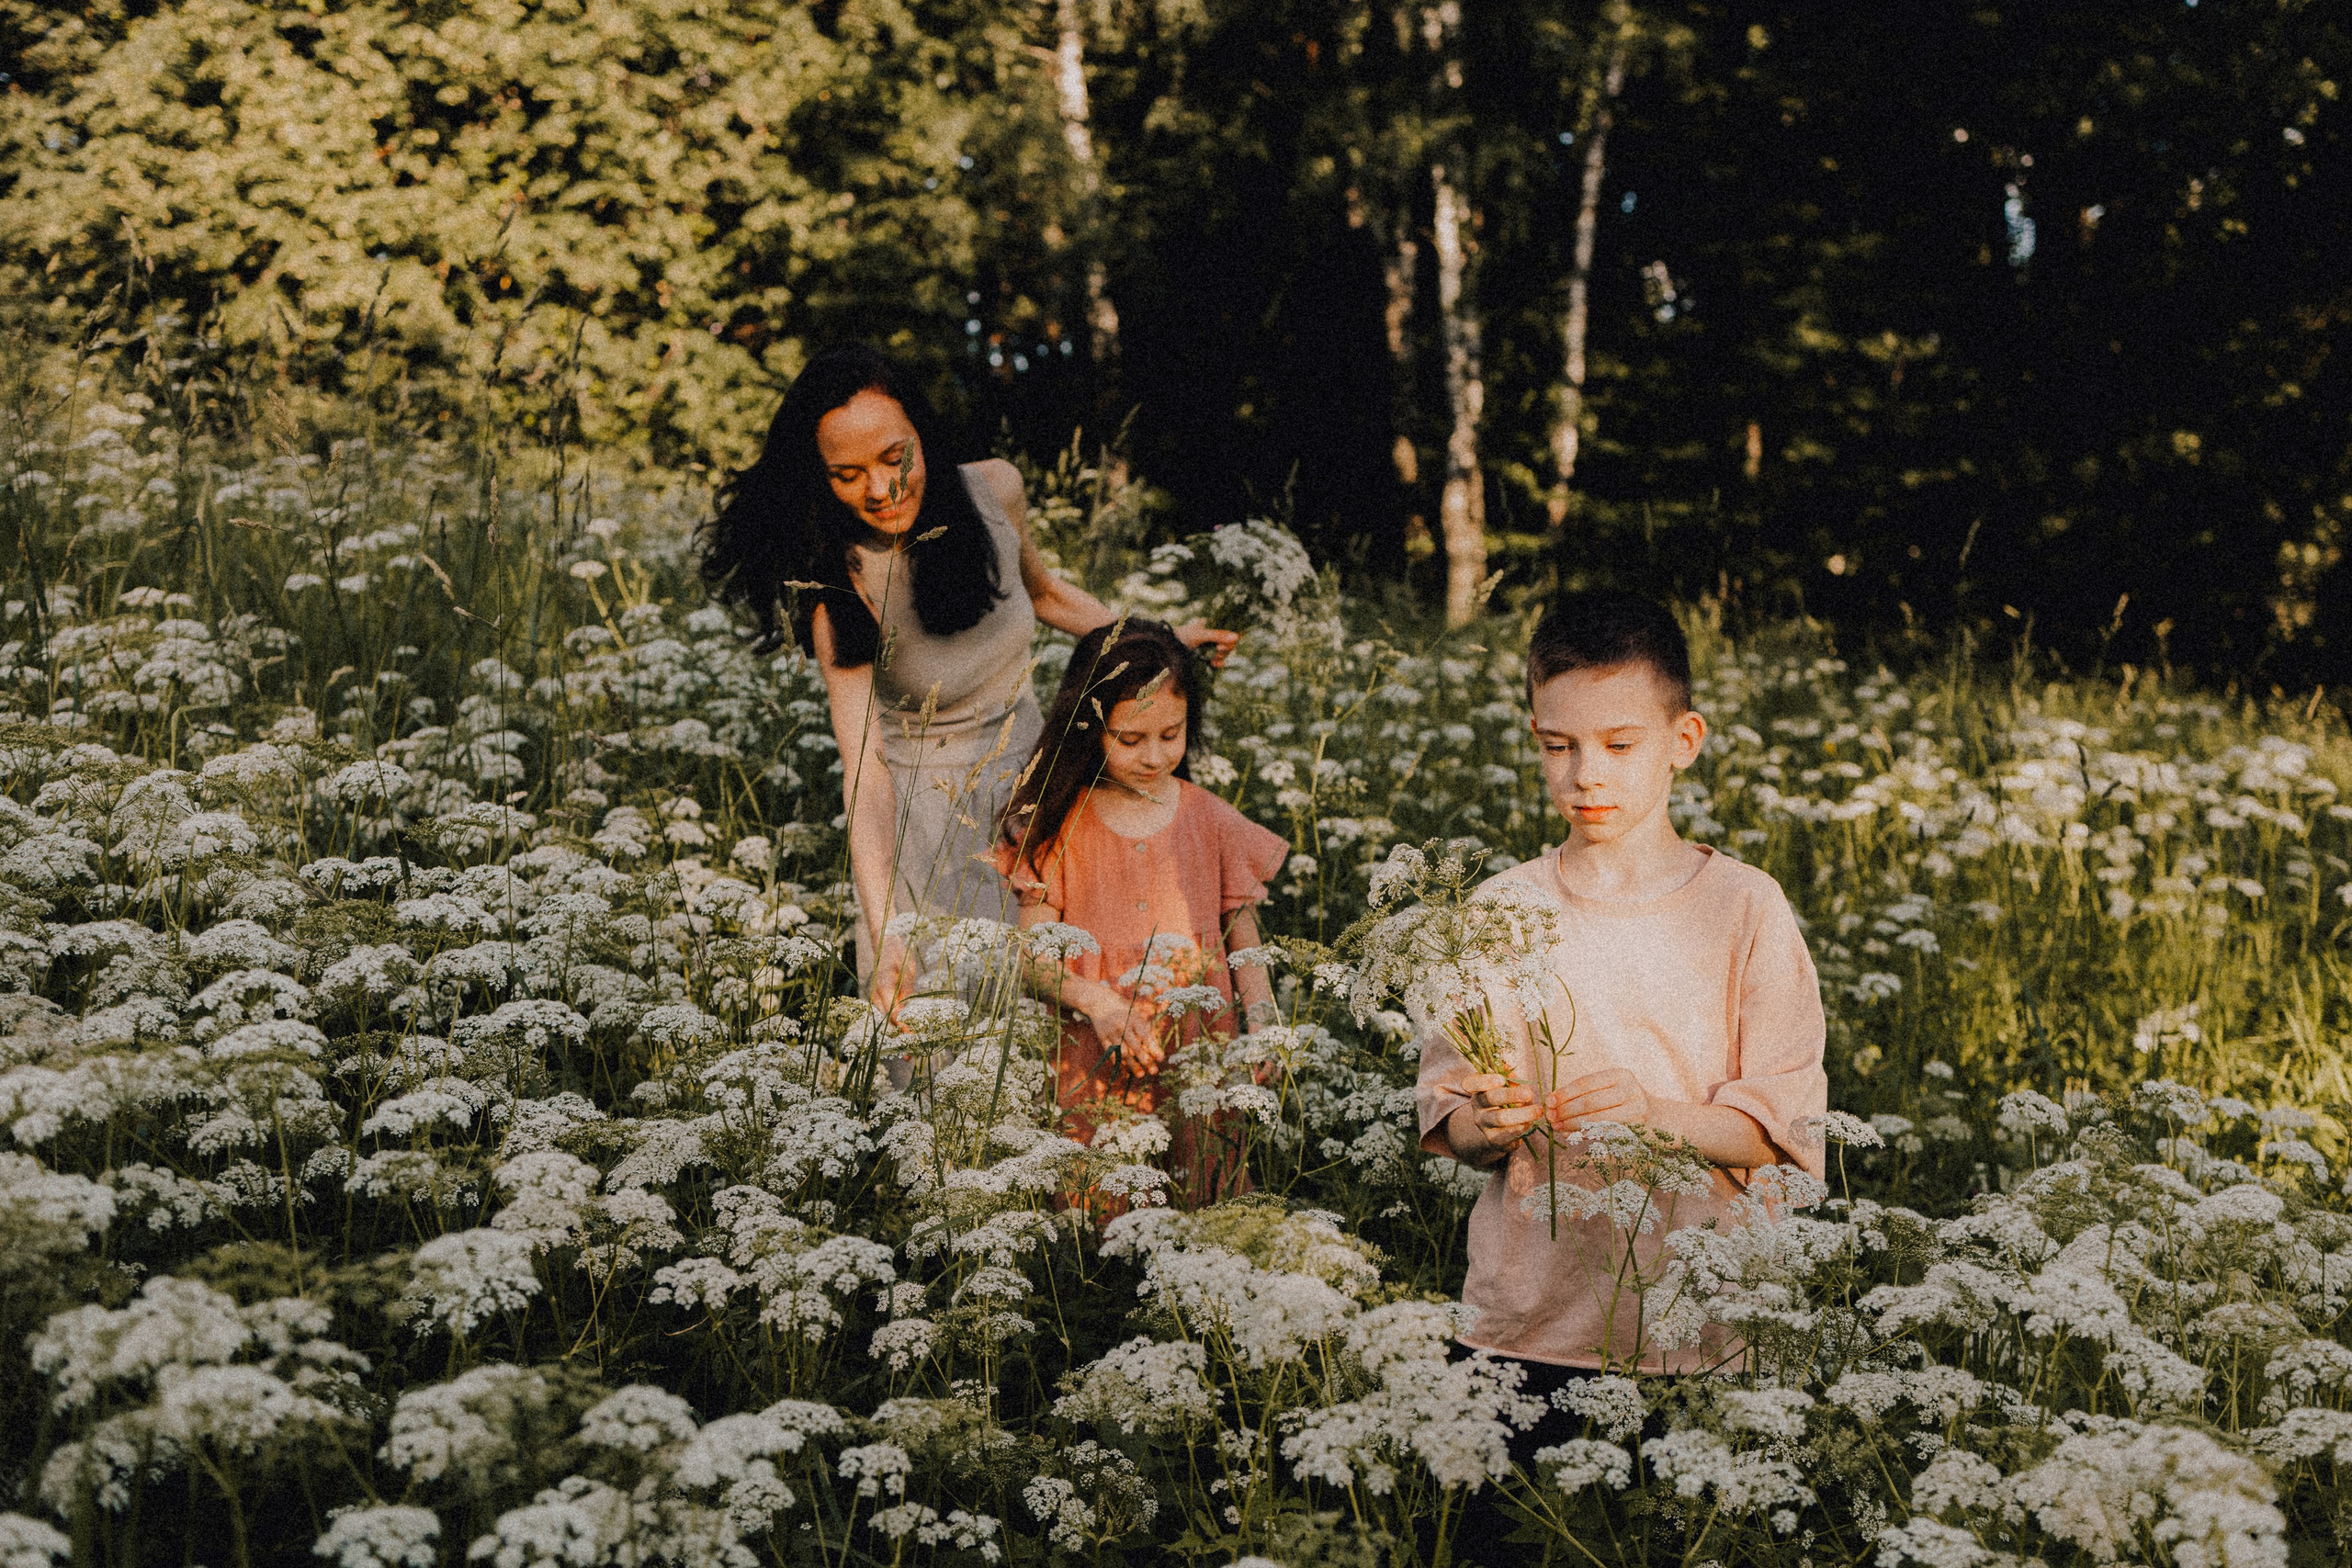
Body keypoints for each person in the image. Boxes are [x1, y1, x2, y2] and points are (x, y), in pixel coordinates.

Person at [1413, 591, 1828, 1557]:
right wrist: (1494, 1121)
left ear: (1683, 739)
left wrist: (1652, 1114)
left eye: (1617, 744)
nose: (1583, 773)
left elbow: (1781, 1126)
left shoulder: (1745, 909)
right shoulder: (1495, 909)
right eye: (1556, 745)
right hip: (1521, 1328)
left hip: (1703, 1338)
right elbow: (1452, 1126)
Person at [701, 344, 1236, 1008]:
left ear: (925, 435)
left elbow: (1044, 594)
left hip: (1043, 793)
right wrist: (888, 930)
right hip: (927, 831)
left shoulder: (995, 492)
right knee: (951, 1053)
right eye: (847, 474)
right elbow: (864, 773)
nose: (879, 488)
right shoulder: (840, 584)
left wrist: (1155, 638)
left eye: (896, 458)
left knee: (1072, 1023)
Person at [994, 618, 1287, 1205]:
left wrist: (1266, 1024)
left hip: (1199, 1042)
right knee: (1099, 1198)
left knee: (1201, 1191)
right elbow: (1031, 959)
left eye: (1170, 736)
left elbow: (1242, 936)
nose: (1154, 757)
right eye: (1130, 739)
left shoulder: (1211, 818)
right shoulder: (1060, 825)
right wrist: (1097, 1002)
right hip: (1093, 1047)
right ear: (1090, 728)